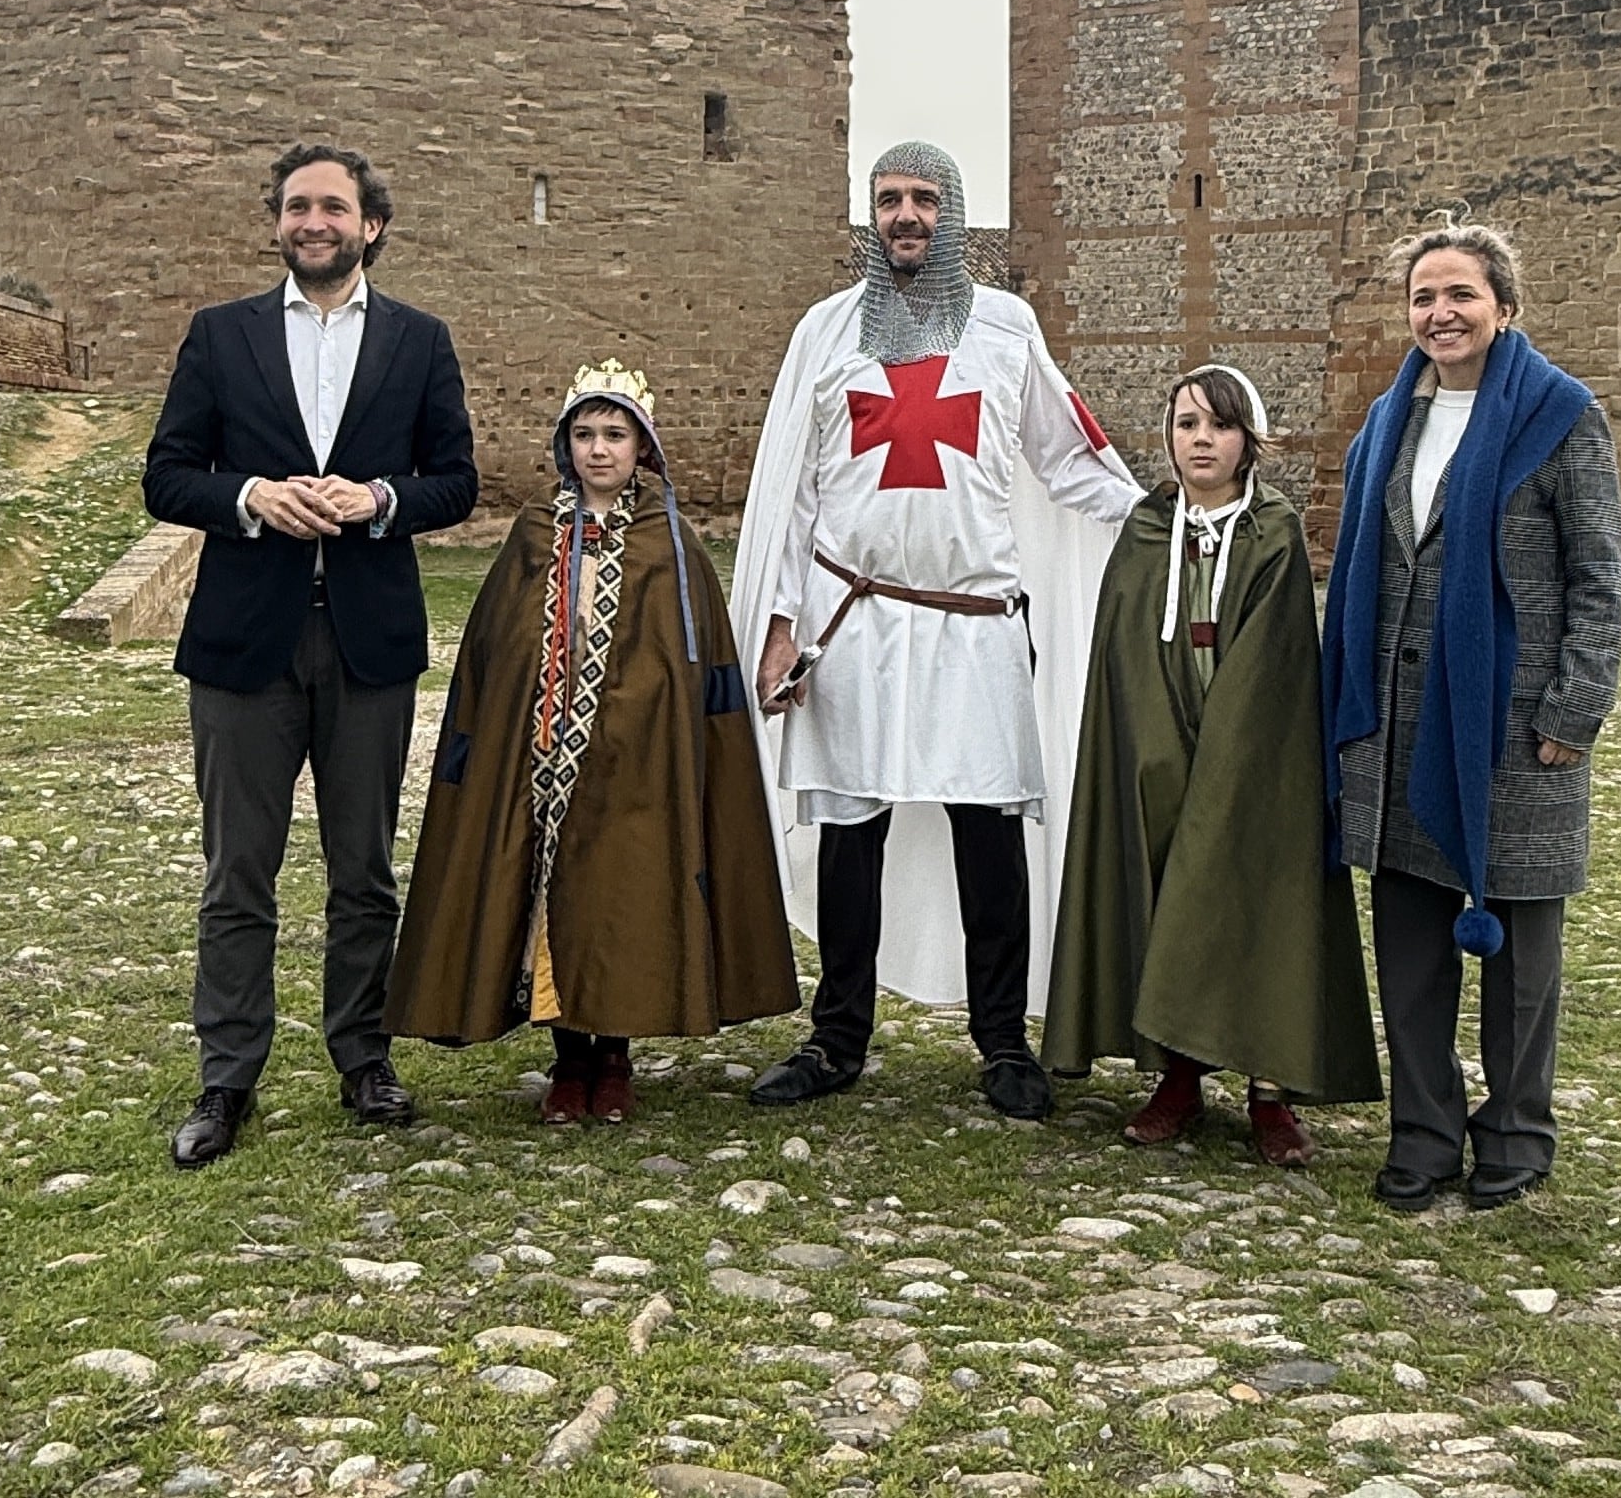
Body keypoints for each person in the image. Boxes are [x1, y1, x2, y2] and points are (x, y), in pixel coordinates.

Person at [729, 141, 1139, 1119]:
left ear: (949, 213)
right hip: (854, 621)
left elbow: (1067, 456)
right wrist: (780, 624)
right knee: (847, 833)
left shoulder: (1003, 329)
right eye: (887, 199)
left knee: (986, 832)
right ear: (868, 215)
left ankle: (1002, 1042)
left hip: (972, 624)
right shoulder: (827, 333)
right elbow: (793, 494)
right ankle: (837, 1037)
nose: (904, 215)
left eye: (921, 199)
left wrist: (1163, 513)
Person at [141, 143, 479, 1169]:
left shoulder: (420, 342)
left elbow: (455, 482)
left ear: (369, 224)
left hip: (367, 637)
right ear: (278, 223)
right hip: (245, 641)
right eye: (296, 207)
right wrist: (249, 498)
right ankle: (226, 1077)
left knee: (363, 871)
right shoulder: (220, 335)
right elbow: (166, 477)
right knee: (236, 872)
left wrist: (377, 501)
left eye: (332, 206)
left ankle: (362, 1055)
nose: (313, 221)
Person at [382, 362, 797, 1122]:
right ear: (563, 444)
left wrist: (655, 727)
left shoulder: (668, 542)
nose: (599, 449)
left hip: (640, 762)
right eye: (584, 434)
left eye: (615, 434)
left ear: (643, 445)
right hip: (541, 758)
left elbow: (698, 659)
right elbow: (493, 648)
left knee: (626, 896)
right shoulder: (537, 530)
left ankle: (615, 1057)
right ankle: (568, 1059)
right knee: (552, 893)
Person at [1320, 221, 1621, 1212]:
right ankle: (1421, 1132)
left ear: (1503, 306)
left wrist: (1573, 710)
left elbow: (1598, 576)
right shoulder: (1384, 425)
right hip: (1401, 721)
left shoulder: (1558, 415)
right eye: (1421, 297)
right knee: (1406, 949)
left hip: (1512, 723)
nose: (1438, 314)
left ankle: (1515, 1132)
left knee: (1520, 957)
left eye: (1457, 294)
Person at [1045, 365, 1378, 1165]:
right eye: (1187, 423)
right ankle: (1177, 1075)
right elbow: (1122, 652)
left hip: (1255, 754)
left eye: (1219, 426)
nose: (1201, 439)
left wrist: (1225, 758)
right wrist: (1155, 745)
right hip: (1160, 744)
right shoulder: (1145, 529)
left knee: (1261, 900)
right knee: (1165, 893)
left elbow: (1277, 657)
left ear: (1246, 441)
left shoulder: (1274, 529)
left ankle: (1271, 1093)